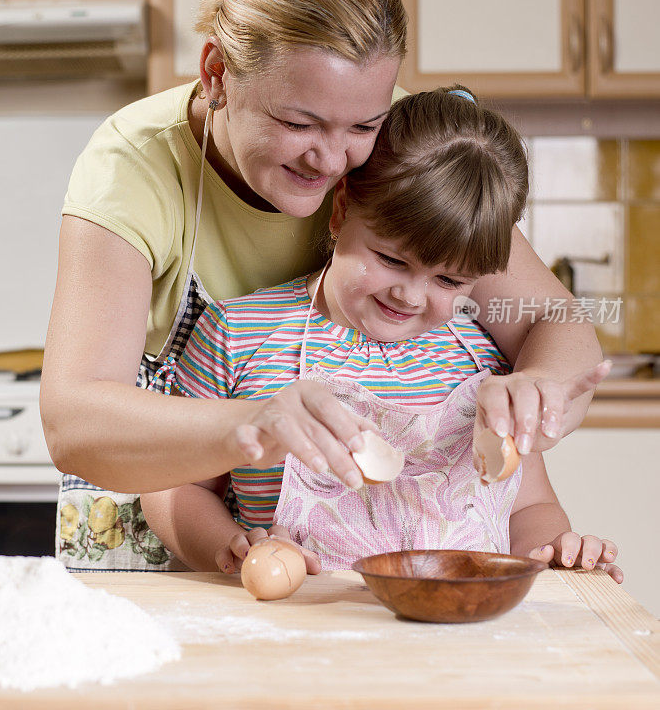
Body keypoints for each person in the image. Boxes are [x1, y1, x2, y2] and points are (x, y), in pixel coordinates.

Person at [41, 0, 607, 572]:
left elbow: (554, 322)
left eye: (361, 125)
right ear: (217, 73)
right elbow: (74, 422)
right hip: (193, 540)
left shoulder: (400, 147)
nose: (333, 158)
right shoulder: (133, 169)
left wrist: (536, 385)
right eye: (297, 123)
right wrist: (251, 426)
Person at [139, 89, 621, 583]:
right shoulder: (239, 334)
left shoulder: (486, 361)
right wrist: (228, 548)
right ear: (341, 209)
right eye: (392, 260)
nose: (411, 297)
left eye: (449, 281)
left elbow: (530, 507)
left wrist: (555, 550)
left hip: (460, 637)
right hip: (300, 632)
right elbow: (175, 487)